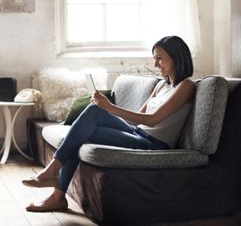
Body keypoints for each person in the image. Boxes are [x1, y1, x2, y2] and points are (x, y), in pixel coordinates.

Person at [22, 35, 195, 212]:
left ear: (177, 57)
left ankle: (56, 187)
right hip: (138, 133)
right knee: (93, 112)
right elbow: (138, 116)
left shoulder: (186, 86)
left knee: (85, 129)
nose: (156, 64)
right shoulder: (161, 86)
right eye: (154, 58)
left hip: (154, 144)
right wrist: (104, 108)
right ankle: (56, 188)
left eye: (160, 58)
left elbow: (152, 120)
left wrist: (110, 107)